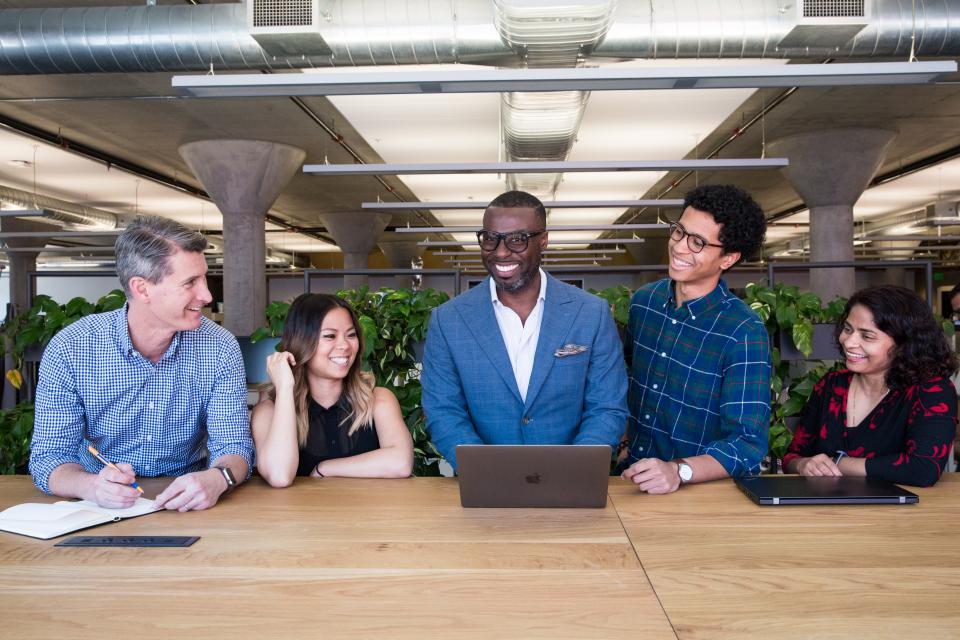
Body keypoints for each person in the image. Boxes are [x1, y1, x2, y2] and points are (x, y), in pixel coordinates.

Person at [29, 216, 253, 511]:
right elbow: (49, 457)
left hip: (187, 503)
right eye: (190, 282)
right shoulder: (71, 349)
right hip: (96, 506)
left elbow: (234, 447)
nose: (207, 295)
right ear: (142, 288)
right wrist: (91, 486)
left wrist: (217, 478)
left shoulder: (220, 347)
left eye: (204, 278)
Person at [421, 190, 628, 471]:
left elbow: (606, 407)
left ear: (543, 240)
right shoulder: (448, 320)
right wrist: (486, 473)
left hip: (572, 483)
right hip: (485, 487)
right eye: (491, 239)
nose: (501, 252)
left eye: (517, 240)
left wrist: (576, 470)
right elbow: (444, 411)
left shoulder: (591, 313)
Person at [621, 184, 771, 494]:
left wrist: (678, 470)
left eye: (698, 242)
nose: (679, 247)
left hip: (698, 493)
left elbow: (747, 444)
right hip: (631, 480)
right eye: (679, 231)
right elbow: (628, 380)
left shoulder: (743, 332)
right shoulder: (644, 303)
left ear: (728, 258)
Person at [783, 285, 958, 487]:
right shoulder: (831, 385)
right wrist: (803, 465)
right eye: (847, 329)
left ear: (905, 343)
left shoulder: (932, 391)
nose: (848, 342)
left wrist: (837, 464)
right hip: (827, 512)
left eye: (867, 336)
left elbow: (922, 469)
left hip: (901, 515)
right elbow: (792, 457)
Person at [251, 294, 413, 486]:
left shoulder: (379, 399)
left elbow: (401, 463)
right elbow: (279, 476)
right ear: (301, 342)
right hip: (299, 515)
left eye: (351, 335)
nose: (345, 345)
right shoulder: (268, 410)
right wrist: (285, 388)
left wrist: (325, 469)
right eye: (330, 336)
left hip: (368, 514)